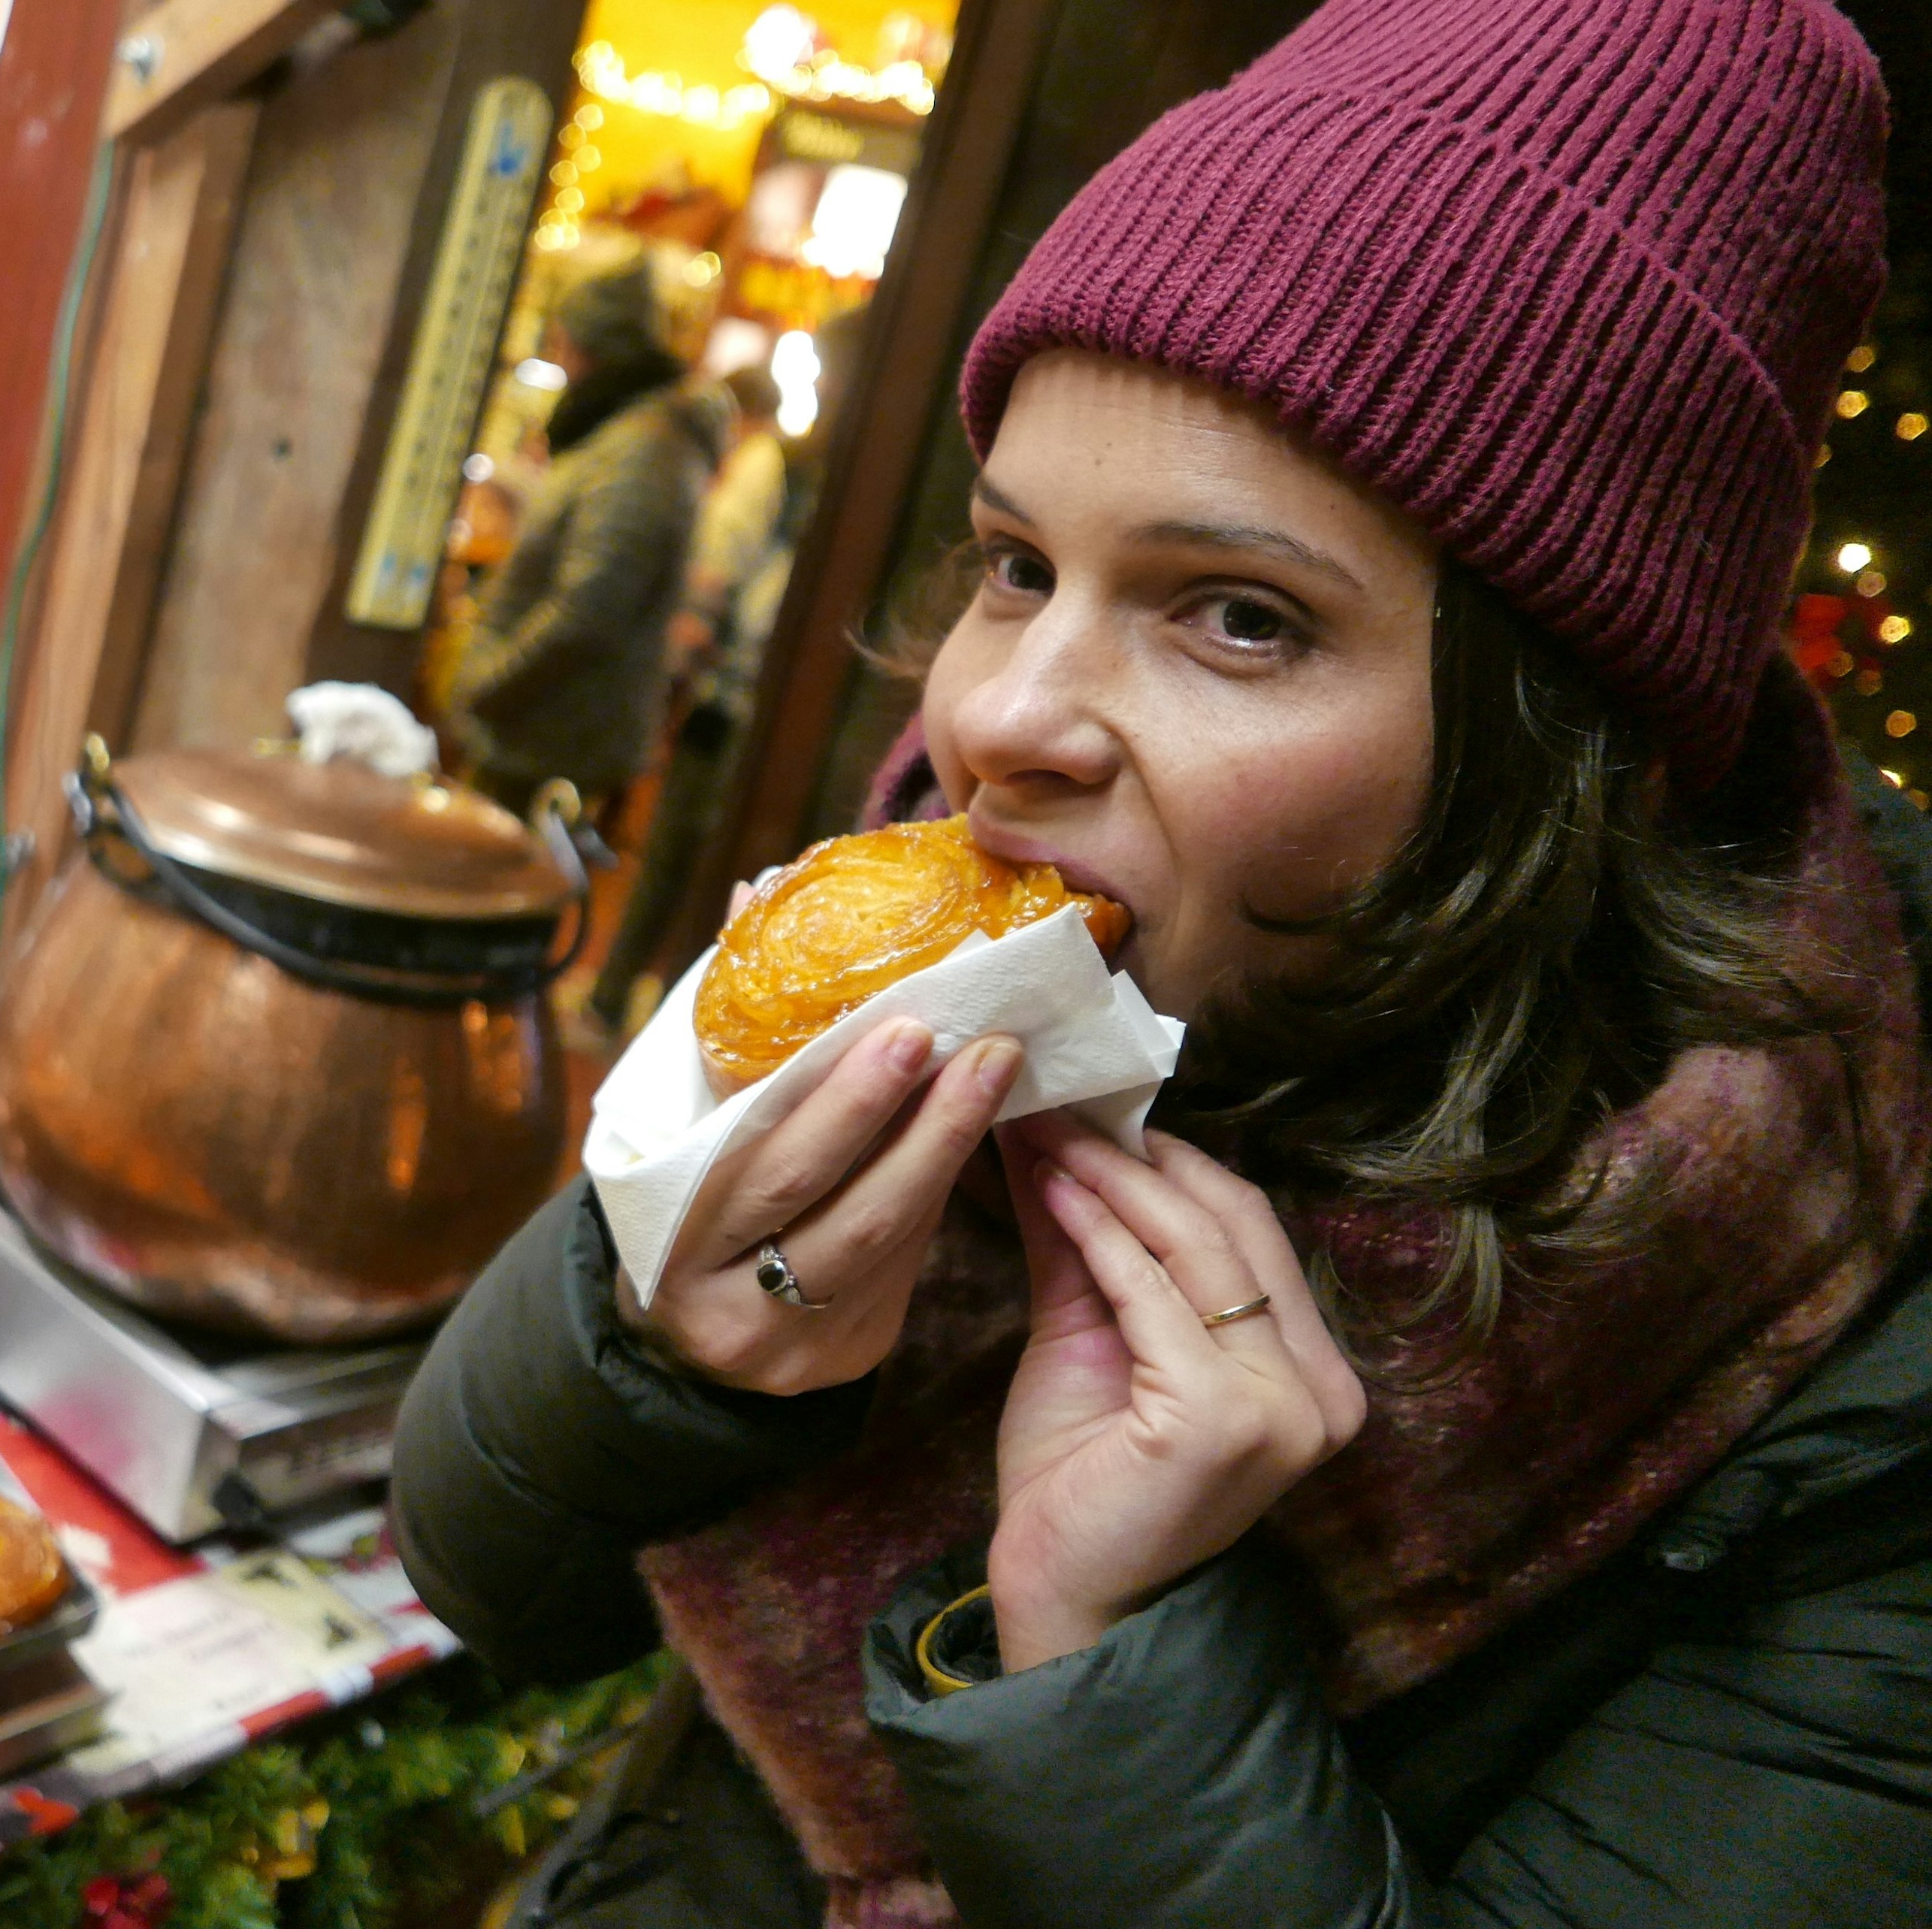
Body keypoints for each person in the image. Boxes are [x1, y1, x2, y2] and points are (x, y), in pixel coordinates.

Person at [393, 2, 1932, 1924]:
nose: (1000, 715)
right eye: (1018, 562)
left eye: (1238, 616)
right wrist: (657, 1349)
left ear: (1564, 744)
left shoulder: (1861, 1398)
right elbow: (482, 1581)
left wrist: (1110, 1649)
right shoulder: (928, 968)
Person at [586, 316, 865, 1039]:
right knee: (734, 872)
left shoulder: (786, 464)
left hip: (741, 698)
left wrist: (684, 656)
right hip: (786, 714)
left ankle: (628, 1003)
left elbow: (716, 565)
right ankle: (669, 1016)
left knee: (689, 858)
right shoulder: (843, 475)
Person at [449, 259, 719, 821]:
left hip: (553, 736)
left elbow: (589, 610)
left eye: (564, 345)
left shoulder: (642, 450)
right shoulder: (633, 435)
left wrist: (486, 684)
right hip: (542, 731)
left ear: (593, 349)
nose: (560, 361)